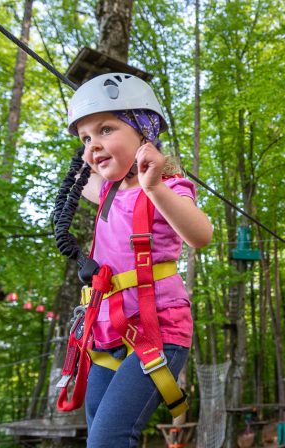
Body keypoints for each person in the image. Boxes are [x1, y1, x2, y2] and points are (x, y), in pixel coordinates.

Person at [67, 73, 213, 447]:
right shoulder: (106, 192)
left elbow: (201, 235)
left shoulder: (168, 188)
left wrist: (155, 185)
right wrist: (89, 134)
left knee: (109, 440)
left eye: (106, 129)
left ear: (144, 132)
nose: (93, 145)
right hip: (105, 333)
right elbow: (82, 175)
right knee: (97, 437)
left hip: (157, 330)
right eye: (86, 138)